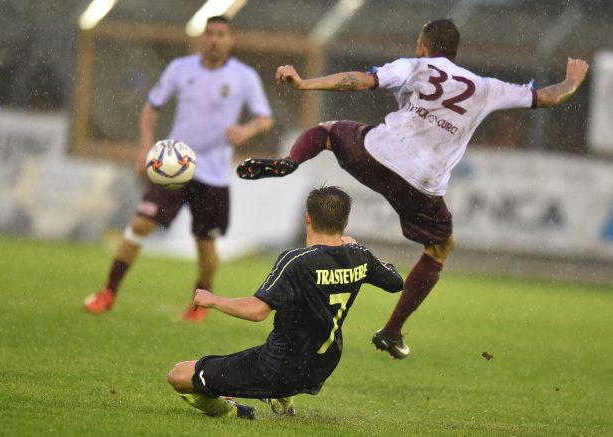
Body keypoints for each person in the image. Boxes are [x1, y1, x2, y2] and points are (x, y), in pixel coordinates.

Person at [236, 18, 589, 359]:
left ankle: (292, 161)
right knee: (440, 247)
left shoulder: (415, 66)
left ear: (423, 46)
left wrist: (304, 83)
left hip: (376, 153)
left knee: (327, 131)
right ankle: (392, 331)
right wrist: (572, 80)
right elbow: (549, 97)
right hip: (422, 184)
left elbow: (360, 81)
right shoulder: (486, 87)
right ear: (454, 51)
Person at [84, 16, 274, 320]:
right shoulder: (180, 69)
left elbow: (265, 119)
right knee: (140, 224)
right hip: (173, 166)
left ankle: (199, 305)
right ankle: (108, 292)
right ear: (202, 38)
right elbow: (151, 107)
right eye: (209, 33)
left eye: (221, 34)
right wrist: (145, 148)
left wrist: (246, 130)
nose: (214, 39)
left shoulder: (244, 76)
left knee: (205, 243)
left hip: (213, 173)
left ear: (230, 40)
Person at [166, 186, 403, 419]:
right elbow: (395, 281)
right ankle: (282, 395)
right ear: (346, 221)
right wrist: (358, 248)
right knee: (297, 304)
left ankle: (235, 410)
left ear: (308, 217)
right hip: (322, 367)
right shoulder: (359, 256)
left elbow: (257, 311)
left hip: (277, 369)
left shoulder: (296, 261)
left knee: (178, 375)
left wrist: (213, 300)